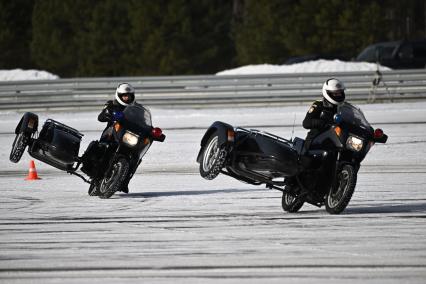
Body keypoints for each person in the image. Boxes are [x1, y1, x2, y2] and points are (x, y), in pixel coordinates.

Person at [302, 78, 346, 152]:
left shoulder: (343, 107)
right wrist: (322, 123)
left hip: (335, 142)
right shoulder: (318, 105)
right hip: (315, 142)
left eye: (340, 92)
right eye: (335, 93)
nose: (338, 95)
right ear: (327, 93)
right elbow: (306, 123)